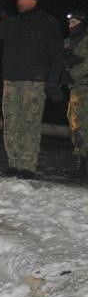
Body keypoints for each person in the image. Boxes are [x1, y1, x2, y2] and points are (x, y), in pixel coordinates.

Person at [0, 0, 63, 179]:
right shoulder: (13, 22)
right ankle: (14, 164)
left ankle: (28, 166)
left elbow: (56, 53)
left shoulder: (47, 22)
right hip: (11, 81)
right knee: (11, 124)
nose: (21, 2)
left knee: (30, 124)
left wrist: (52, 81)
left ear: (34, 1)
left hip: (34, 82)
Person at [64, 10, 88, 178]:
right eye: (70, 23)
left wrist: (72, 73)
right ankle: (81, 157)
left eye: (74, 23)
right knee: (75, 122)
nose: (71, 26)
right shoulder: (71, 41)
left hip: (83, 86)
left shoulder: (85, 40)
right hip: (76, 87)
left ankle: (83, 159)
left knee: (80, 124)